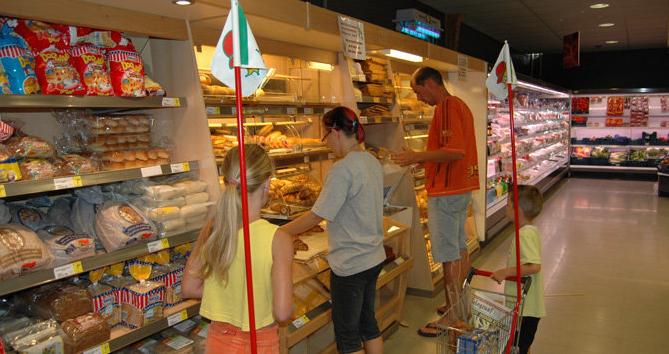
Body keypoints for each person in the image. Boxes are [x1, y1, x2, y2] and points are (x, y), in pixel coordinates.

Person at [281, 106, 385, 354]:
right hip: (373, 256)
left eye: (326, 136)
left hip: (351, 264)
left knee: (348, 337)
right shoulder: (371, 161)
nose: (327, 143)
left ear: (336, 132)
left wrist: (282, 232)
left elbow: (317, 215)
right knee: (368, 323)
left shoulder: (342, 169)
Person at [390, 67, 479, 336]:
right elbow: (453, 151)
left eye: (418, 91)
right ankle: (458, 305)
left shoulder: (446, 107)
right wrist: (425, 160)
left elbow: (454, 151)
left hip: (447, 192)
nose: (418, 98)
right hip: (459, 188)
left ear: (430, 84)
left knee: (449, 254)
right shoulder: (459, 105)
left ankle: (453, 317)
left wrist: (417, 156)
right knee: (459, 248)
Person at [181, 144, 294, 354]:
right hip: (260, 343)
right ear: (267, 183)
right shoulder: (279, 239)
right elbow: (283, 312)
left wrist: (227, 294)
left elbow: (189, 288)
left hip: (217, 341)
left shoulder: (214, 228)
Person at [491, 185, 545, 354]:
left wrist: (505, 272)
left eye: (508, 205)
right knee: (522, 346)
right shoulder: (529, 231)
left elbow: (534, 266)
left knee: (518, 346)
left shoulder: (525, 235)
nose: (506, 208)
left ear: (518, 211)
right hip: (526, 305)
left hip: (526, 308)